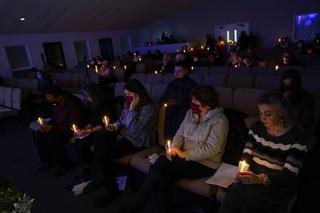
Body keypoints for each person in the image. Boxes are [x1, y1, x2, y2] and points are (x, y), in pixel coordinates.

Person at [122, 86, 229, 213]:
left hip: (205, 164)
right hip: (185, 158)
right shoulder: (190, 113)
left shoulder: (220, 121)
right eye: (192, 100)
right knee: (162, 180)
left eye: (196, 101)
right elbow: (180, 134)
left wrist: (184, 154)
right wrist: (175, 147)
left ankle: (137, 204)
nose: (193, 103)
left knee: (162, 162)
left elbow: (211, 149)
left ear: (208, 104)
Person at [217, 91, 308, 213]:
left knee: (237, 194)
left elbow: (289, 175)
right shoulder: (257, 128)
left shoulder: (297, 137)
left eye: (268, 114)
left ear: (281, 113)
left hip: (277, 185)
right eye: (260, 113)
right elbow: (247, 153)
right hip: (253, 179)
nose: (262, 118)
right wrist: (242, 169)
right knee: (239, 195)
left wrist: (260, 179)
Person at [82, 79, 156, 208]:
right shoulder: (128, 104)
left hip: (139, 141)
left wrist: (132, 109)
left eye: (129, 94)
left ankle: (105, 184)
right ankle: (103, 181)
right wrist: (114, 126)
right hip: (125, 137)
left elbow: (135, 129)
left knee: (103, 153)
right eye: (125, 94)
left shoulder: (148, 108)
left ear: (138, 94)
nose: (126, 97)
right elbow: (121, 120)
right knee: (100, 138)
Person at [34, 85, 89, 177]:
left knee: (55, 137)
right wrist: (46, 125)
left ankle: (65, 165)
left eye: (50, 99)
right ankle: (48, 161)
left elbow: (73, 123)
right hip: (61, 124)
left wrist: (52, 128)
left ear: (59, 97)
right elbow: (55, 117)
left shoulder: (73, 103)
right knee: (41, 132)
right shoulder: (55, 102)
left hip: (74, 127)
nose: (49, 101)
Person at [71, 83, 116, 182]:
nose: (86, 98)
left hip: (105, 131)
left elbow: (104, 124)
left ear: (95, 95)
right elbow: (92, 121)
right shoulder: (92, 104)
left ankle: (94, 170)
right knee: (78, 141)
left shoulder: (106, 105)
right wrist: (84, 130)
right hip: (94, 130)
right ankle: (88, 167)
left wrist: (88, 131)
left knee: (84, 144)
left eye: (88, 96)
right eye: (85, 96)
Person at [160, 61, 198, 139]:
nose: (176, 73)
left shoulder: (192, 84)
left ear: (186, 71)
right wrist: (168, 102)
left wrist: (178, 103)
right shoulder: (171, 84)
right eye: (175, 71)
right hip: (171, 110)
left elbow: (193, 101)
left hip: (184, 110)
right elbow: (163, 98)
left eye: (179, 71)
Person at [279, 69, 315, 133]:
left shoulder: (305, 97)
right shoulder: (278, 93)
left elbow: (306, 120)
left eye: (289, 84)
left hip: (295, 127)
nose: (287, 87)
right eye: (284, 84)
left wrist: (290, 125)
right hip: (277, 124)